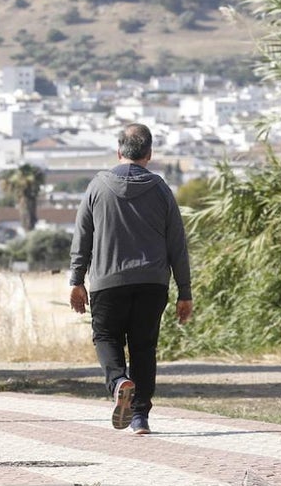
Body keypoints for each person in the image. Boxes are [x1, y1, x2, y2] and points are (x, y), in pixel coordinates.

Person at [68, 123, 193, 434]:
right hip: (153, 283)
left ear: (118, 152)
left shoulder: (97, 186)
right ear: (149, 154)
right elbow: (177, 244)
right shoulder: (162, 188)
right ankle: (139, 418)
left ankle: (118, 382)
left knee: (106, 337)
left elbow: (83, 236)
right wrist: (185, 292)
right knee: (143, 347)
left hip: (108, 282)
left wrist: (76, 280)